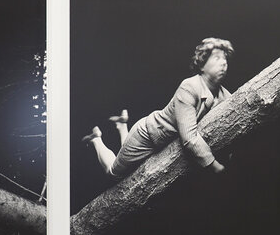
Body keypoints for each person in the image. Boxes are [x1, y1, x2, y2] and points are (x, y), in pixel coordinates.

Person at [82, 38, 233, 177]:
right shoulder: (189, 87)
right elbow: (189, 138)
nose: (224, 62)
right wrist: (215, 166)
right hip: (146, 136)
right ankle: (96, 139)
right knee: (113, 173)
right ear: (202, 64)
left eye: (225, 58)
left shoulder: (225, 95)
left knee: (127, 161)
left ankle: (121, 125)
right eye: (217, 58)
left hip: (159, 141)